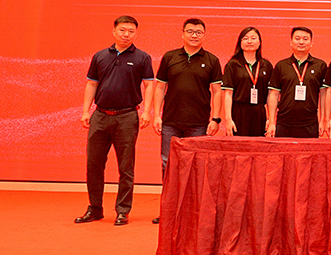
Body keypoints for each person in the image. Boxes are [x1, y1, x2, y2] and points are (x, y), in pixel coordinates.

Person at [75, 15, 154, 226]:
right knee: (94, 164)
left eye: (131, 31)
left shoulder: (142, 57)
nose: (126, 34)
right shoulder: (100, 56)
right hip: (100, 116)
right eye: (122, 30)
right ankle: (95, 209)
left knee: (126, 167)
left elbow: (149, 85)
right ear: (114, 31)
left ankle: (123, 210)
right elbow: (91, 84)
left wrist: (147, 112)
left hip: (127, 117)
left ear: (135, 34)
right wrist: (85, 111)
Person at [153, 18, 223, 222]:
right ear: (182, 34)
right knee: (168, 165)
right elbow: (160, 87)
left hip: (199, 123)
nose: (194, 35)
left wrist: (215, 119)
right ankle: (168, 210)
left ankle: (193, 211)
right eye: (190, 31)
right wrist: (156, 115)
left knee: (197, 167)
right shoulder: (170, 57)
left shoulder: (212, 60)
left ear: (204, 35)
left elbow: (217, 91)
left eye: (198, 32)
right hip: (170, 121)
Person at [267, 26, 329, 138]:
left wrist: (322, 120)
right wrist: (271, 122)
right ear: (291, 42)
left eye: (305, 39)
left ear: (311, 43)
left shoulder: (320, 65)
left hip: (310, 122)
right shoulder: (281, 65)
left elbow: (324, 94)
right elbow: (274, 95)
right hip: (284, 122)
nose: (301, 42)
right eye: (297, 38)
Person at [221, 27, 273, 137]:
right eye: (245, 38)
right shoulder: (232, 65)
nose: (249, 41)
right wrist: (228, 119)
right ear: (240, 42)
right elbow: (228, 94)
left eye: (253, 38)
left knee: (258, 145)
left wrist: (270, 119)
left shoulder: (266, 66)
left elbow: (270, 95)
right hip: (239, 112)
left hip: (259, 112)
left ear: (259, 42)